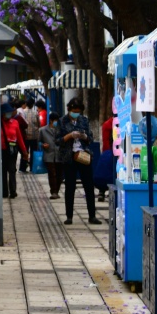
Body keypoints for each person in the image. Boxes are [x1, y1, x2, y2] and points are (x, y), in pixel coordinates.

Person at [55, 97, 103, 226]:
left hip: (83, 155)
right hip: (69, 157)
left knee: (88, 185)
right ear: (69, 110)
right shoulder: (62, 121)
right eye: (74, 111)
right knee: (70, 186)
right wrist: (69, 136)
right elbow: (57, 140)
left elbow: (91, 138)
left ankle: (92, 215)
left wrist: (84, 136)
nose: (76, 114)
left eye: (78, 111)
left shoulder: (84, 120)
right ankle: (69, 215)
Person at [1, 102, 28, 199]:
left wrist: (24, 151)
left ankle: (13, 191)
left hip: (12, 150)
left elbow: (19, 138)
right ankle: (4, 191)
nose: (9, 114)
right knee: (3, 171)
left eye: (10, 112)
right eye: (6, 113)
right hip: (2, 151)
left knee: (12, 170)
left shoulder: (15, 122)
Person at [39, 112, 63, 199]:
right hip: (49, 154)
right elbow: (39, 142)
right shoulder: (42, 130)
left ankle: (57, 190)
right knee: (52, 173)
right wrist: (42, 145)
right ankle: (53, 191)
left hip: (59, 155)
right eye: (55, 121)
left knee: (59, 174)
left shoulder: (61, 130)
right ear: (51, 121)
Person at [18, 97, 39, 172]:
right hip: (34, 136)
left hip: (25, 136)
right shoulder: (36, 112)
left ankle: (22, 168)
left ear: (26, 104)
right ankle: (32, 168)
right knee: (33, 152)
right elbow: (38, 123)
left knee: (25, 152)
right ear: (33, 105)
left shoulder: (22, 112)